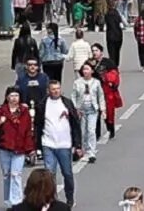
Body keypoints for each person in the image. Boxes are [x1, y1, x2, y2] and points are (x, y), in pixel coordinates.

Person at [33, 80, 83, 208]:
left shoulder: (66, 103)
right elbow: (38, 125)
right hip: (48, 144)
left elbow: (75, 124)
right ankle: (51, 200)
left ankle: (70, 198)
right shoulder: (43, 105)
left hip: (64, 144)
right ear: (48, 91)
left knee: (67, 173)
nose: (56, 91)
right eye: (53, 89)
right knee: (49, 175)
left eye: (58, 88)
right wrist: (37, 146)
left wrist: (78, 145)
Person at [0, 86, 35, 209]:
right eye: (12, 96)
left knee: (16, 174)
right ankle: (8, 200)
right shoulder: (1, 111)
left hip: (19, 148)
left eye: (16, 96)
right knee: (7, 174)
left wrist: (30, 149)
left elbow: (28, 131)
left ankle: (17, 202)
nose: (14, 98)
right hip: (4, 148)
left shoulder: (24, 112)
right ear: (7, 97)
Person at [71, 61, 105, 162]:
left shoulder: (96, 83)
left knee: (91, 130)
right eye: (84, 69)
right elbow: (73, 96)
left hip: (93, 110)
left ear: (92, 71)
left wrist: (103, 109)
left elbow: (101, 96)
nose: (85, 71)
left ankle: (92, 152)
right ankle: (84, 151)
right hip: (81, 111)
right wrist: (75, 109)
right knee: (83, 132)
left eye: (87, 69)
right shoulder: (77, 82)